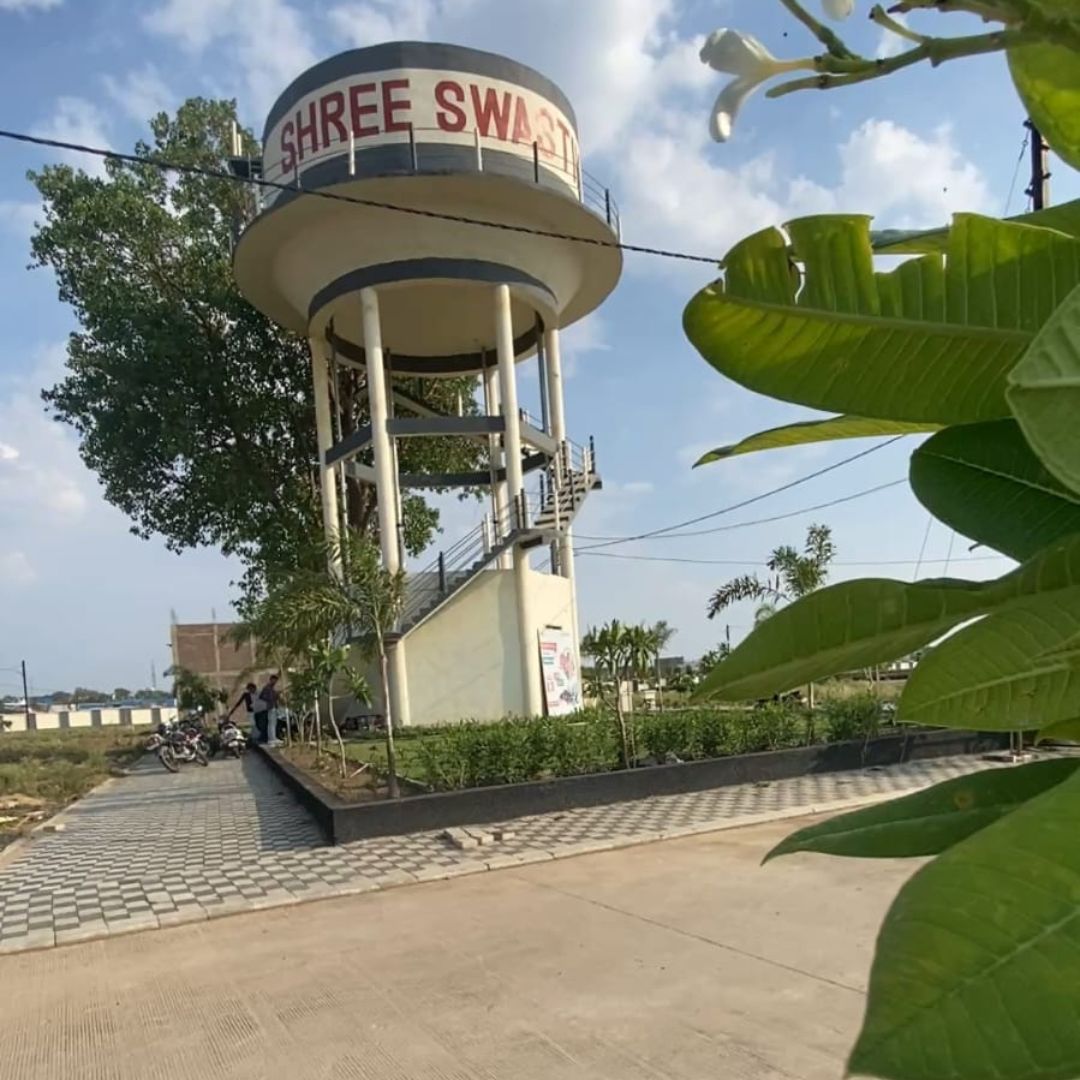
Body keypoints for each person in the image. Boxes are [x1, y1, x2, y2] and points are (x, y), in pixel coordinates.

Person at [253, 674, 279, 745]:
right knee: (271, 723)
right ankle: (271, 739)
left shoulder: (272, 688)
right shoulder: (267, 687)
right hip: (270, 707)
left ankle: (273, 737)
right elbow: (261, 696)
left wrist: (276, 695)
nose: (275, 682)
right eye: (274, 680)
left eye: (276, 680)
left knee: (273, 723)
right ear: (271, 680)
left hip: (273, 706)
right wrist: (269, 699)